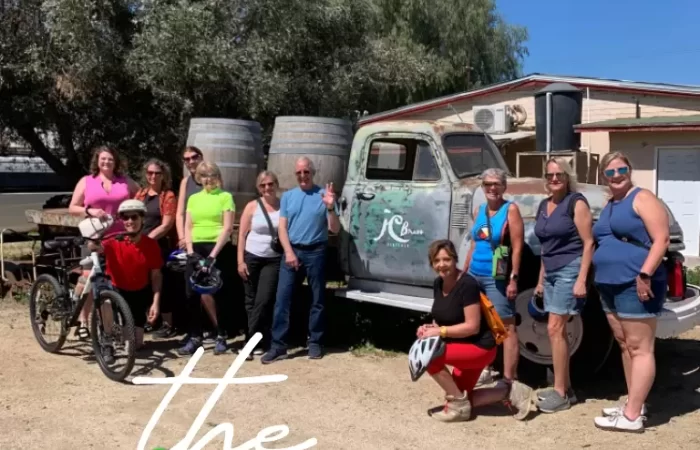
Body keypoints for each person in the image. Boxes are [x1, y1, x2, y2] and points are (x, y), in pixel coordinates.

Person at [591, 152, 669, 433]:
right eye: (610, 172)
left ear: (629, 169)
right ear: (604, 176)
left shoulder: (642, 197)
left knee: (640, 348)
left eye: (621, 169)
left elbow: (661, 239)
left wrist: (645, 274)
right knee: (625, 345)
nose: (616, 176)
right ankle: (634, 402)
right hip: (609, 283)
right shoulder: (610, 203)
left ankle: (632, 416)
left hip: (636, 281)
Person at [417, 240, 535, 422]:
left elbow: (472, 327)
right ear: (432, 263)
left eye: (446, 259)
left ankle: (459, 407)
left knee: (430, 357)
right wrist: (429, 328)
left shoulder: (467, 285)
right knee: (461, 396)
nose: (442, 265)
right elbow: (442, 319)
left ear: (455, 260)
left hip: (480, 348)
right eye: (437, 260)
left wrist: (439, 331)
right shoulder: (438, 284)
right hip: (463, 346)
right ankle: (509, 391)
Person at [261, 157, 340, 364]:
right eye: (299, 173)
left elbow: (335, 229)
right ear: (295, 175)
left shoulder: (324, 195)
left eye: (306, 172)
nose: (303, 176)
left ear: (313, 173)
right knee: (282, 299)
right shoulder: (288, 197)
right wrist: (288, 252)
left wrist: (331, 208)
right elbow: (282, 228)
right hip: (293, 250)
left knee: (317, 300)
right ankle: (278, 346)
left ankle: (315, 342)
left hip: (316, 251)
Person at [533, 157, 594, 413]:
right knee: (555, 330)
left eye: (559, 175)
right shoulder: (544, 205)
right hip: (550, 272)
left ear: (568, 177)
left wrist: (581, 279)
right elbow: (545, 247)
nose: (554, 179)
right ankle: (565, 388)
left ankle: (561, 393)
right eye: (550, 176)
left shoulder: (576, 203)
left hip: (570, 268)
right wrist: (539, 279)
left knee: (555, 328)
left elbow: (588, 243)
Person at [68, 145, 140, 339]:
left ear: (115, 162)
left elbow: (140, 197)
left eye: (110, 159)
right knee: (88, 276)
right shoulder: (86, 181)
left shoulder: (125, 182)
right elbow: (73, 207)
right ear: (97, 161)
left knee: (115, 278)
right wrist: (90, 211)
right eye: (103, 159)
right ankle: (83, 321)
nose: (107, 162)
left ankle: (114, 323)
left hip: (119, 237)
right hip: (94, 236)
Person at [463, 168, 524, 384]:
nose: (492, 188)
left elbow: (517, 248)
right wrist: (465, 271)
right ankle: (485, 368)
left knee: (506, 326)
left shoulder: (511, 210)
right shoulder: (479, 210)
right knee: (479, 323)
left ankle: (509, 379)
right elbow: (473, 243)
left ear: (504, 187)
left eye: (497, 184)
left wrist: (513, 279)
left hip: (496, 276)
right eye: (488, 184)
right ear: (482, 187)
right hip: (474, 274)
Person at [89, 199, 163, 353]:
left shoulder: (151, 245)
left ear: (142, 218)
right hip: (117, 290)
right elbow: (96, 247)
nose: (130, 221)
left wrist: (155, 303)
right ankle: (107, 338)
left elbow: (156, 276)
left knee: (133, 346)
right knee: (106, 301)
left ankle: (124, 331)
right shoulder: (113, 241)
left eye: (134, 217)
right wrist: (95, 238)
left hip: (138, 293)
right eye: (125, 218)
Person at [179, 161, 236, 356]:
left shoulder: (225, 197)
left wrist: (212, 256)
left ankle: (221, 334)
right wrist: (190, 252)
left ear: (217, 176)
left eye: (211, 175)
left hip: (217, 248)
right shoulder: (193, 199)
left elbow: (228, 227)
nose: (208, 179)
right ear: (199, 178)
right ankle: (195, 336)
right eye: (204, 175)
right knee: (190, 294)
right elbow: (188, 226)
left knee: (217, 293)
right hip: (195, 248)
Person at [237, 171, 282, 359]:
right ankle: (259, 340)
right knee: (251, 300)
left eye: (270, 184)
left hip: (273, 258)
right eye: (263, 186)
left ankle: (249, 342)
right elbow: (241, 234)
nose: (267, 188)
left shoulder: (283, 206)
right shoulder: (252, 206)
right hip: (252, 255)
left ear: (276, 185)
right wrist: (240, 260)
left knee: (263, 300)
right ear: (258, 188)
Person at [134, 158, 179, 338]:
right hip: (139, 244)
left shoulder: (168, 196)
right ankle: (150, 320)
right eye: (150, 173)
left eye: (157, 173)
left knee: (162, 284)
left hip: (157, 244)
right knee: (143, 283)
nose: (153, 176)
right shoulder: (140, 194)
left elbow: (167, 224)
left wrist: (147, 239)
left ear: (163, 175)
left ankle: (168, 324)